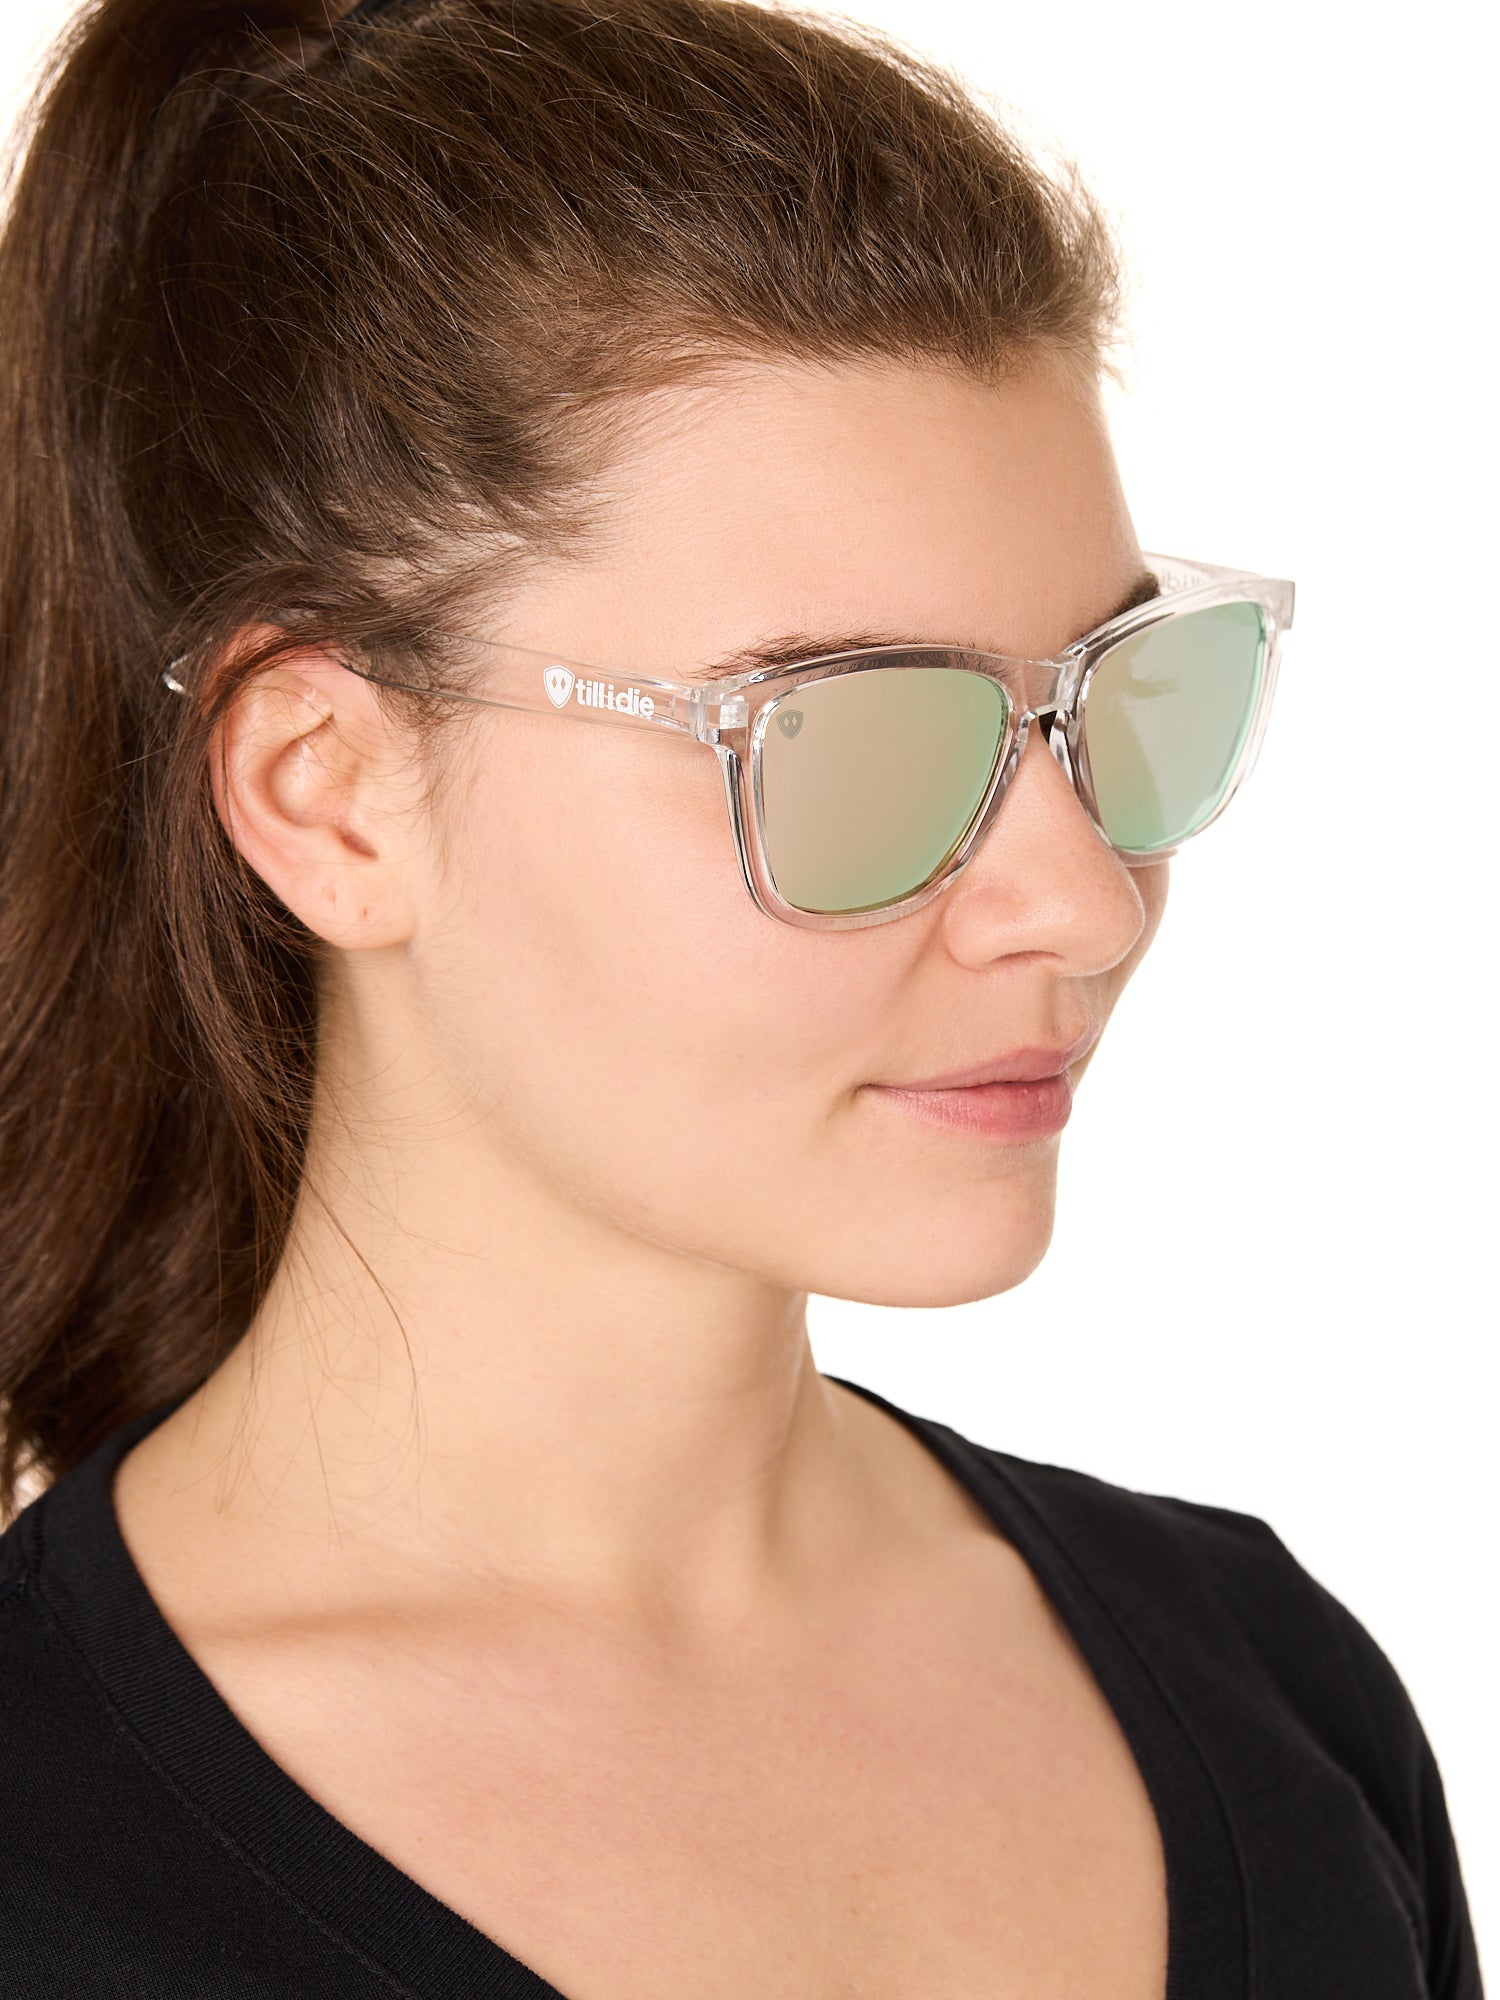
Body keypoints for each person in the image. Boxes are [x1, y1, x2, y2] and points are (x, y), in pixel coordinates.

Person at [0, 0, 1482, 1994]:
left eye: (1115, 701)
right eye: (857, 738)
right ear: (328, 795)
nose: (1081, 901)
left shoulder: (1277, 1698)